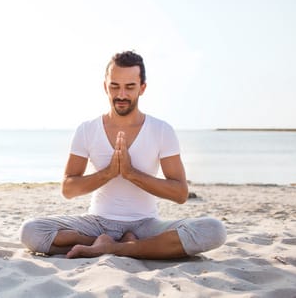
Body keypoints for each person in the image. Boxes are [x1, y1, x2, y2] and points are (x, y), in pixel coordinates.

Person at [19, 51, 226, 259]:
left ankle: (111, 248)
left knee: (214, 230)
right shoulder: (87, 129)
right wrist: (108, 173)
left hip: (146, 224)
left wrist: (131, 173)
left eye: (130, 87)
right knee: (30, 231)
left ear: (142, 88)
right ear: (105, 87)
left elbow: (180, 193)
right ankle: (113, 245)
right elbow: (68, 189)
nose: (121, 95)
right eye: (115, 86)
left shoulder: (161, 130)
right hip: (96, 223)